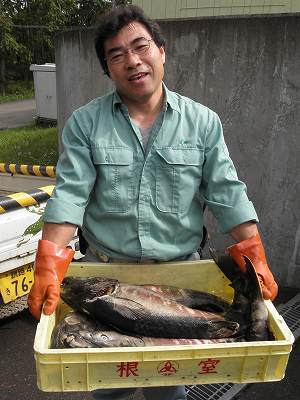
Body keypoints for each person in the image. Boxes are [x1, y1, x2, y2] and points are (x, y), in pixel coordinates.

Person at [28, 4, 278, 400]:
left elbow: (226, 191)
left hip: (177, 278)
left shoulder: (203, 122)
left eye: (141, 46)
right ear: (106, 69)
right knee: (108, 383)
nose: (132, 61)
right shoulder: (85, 123)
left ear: (162, 50)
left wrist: (254, 252)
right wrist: (48, 260)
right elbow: (71, 194)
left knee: (168, 380)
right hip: (109, 277)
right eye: (116, 54)